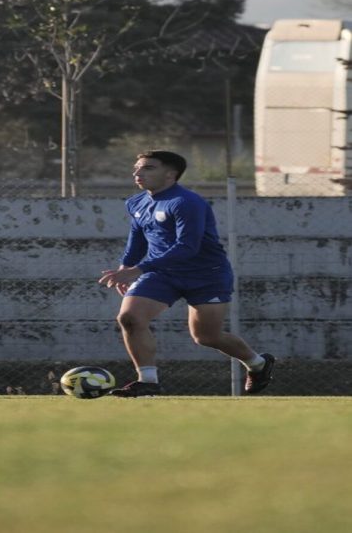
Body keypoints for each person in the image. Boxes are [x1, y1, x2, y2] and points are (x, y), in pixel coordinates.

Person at [98, 150, 275, 397]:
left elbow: (187, 247)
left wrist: (138, 269)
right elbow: (137, 238)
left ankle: (258, 364)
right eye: (136, 167)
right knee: (130, 318)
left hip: (206, 275)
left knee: (206, 336)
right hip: (161, 274)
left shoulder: (187, 202)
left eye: (148, 168)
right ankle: (148, 381)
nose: (138, 173)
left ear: (170, 174)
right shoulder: (136, 202)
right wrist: (124, 268)